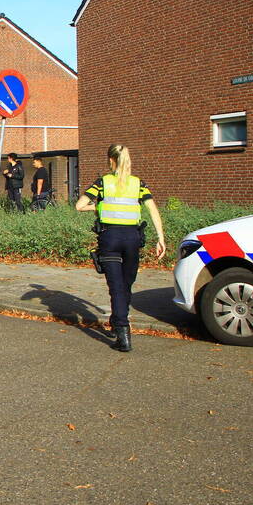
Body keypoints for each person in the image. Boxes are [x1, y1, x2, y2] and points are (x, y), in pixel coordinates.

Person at [75, 144, 166, 353]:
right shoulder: (138, 184)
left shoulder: (103, 183)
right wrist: (161, 238)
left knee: (117, 288)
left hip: (110, 240)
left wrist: (99, 206)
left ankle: (122, 331)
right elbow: (153, 210)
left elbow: (79, 205)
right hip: (132, 239)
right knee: (126, 284)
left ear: (110, 160)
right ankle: (119, 321)